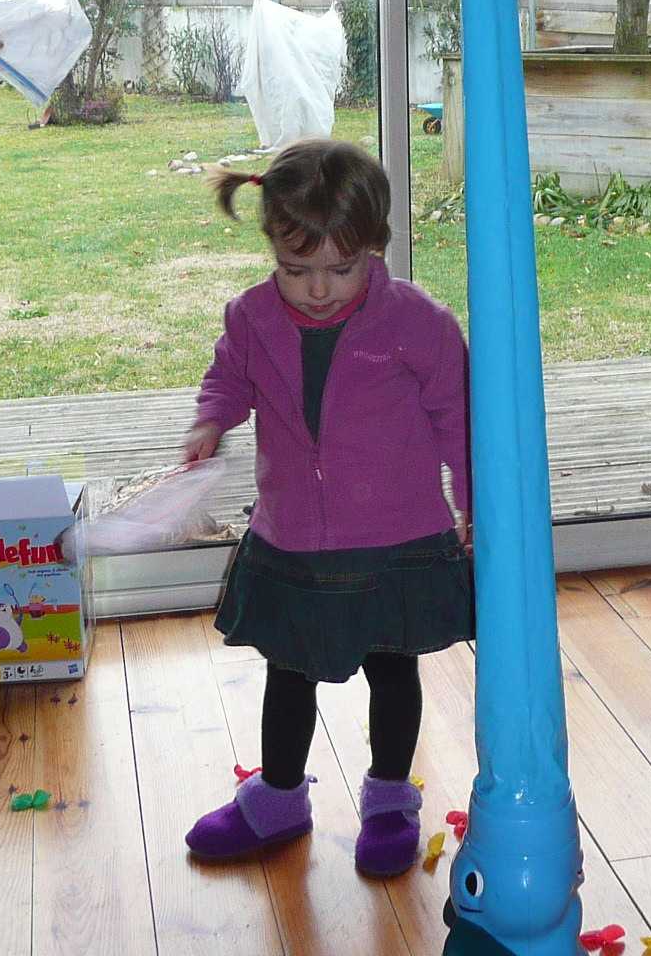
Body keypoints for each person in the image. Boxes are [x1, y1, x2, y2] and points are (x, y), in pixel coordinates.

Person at [179, 139, 473, 878]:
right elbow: (229, 378)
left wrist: (476, 508)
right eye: (295, 268)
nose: (317, 289)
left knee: (392, 670)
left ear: (375, 246)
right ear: (272, 247)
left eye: (341, 269)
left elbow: (460, 421)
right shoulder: (251, 318)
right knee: (288, 672)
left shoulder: (418, 323)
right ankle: (279, 799)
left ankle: (390, 799)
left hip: (397, 538)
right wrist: (210, 422)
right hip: (294, 538)